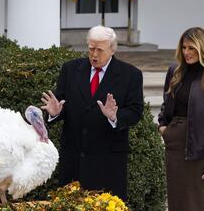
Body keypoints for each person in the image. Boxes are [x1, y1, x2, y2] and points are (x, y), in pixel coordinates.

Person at [41, 25, 144, 200]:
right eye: (91, 49)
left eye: (99, 50)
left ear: (112, 50)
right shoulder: (70, 69)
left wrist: (115, 116)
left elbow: (136, 110)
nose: (94, 55)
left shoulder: (130, 75)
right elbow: (61, 103)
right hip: (74, 160)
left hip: (107, 162)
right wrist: (56, 112)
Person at [158, 27, 204, 211]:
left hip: (200, 149)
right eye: (184, 47)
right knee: (176, 201)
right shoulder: (174, 72)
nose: (186, 52)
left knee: (197, 203)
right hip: (175, 147)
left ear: (202, 48)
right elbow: (166, 103)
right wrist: (163, 127)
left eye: (191, 48)